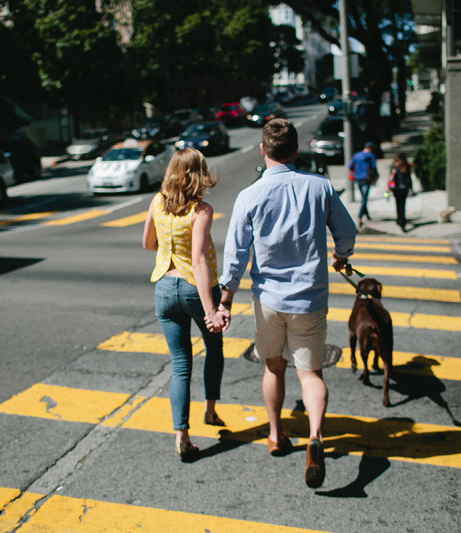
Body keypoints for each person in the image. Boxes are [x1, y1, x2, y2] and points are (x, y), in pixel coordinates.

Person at [215, 119, 356, 488]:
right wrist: (342, 255)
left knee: (274, 367)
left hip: (268, 302)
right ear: (296, 150)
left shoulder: (249, 196)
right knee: (310, 373)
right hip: (309, 298)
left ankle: (276, 435)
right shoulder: (320, 187)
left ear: (263, 151)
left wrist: (225, 298)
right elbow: (347, 232)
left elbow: (235, 255)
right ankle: (315, 438)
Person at [142, 148, 230, 462]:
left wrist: (168, 241)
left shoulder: (156, 202)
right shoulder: (201, 210)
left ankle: (182, 434)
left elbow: (148, 244)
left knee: (180, 365)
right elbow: (198, 261)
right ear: (199, 174)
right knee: (214, 348)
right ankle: (210, 410)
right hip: (196, 289)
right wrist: (211, 310)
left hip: (165, 287)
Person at [348, 142, 378, 227]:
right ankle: (359, 217)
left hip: (357, 178)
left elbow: (350, 165)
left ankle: (367, 216)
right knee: (364, 198)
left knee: (363, 197)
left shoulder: (356, 155)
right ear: (370, 148)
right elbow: (374, 167)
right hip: (366, 178)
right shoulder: (371, 156)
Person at [389, 151, 414, 231]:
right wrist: (410, 188)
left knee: (397, 204)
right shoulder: (406, 165)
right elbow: (408, 178)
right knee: (402, 205)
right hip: (404, 188)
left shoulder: (394, 166)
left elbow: (391, 177)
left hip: (396, 188)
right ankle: (402, 222)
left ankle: (399, 220)